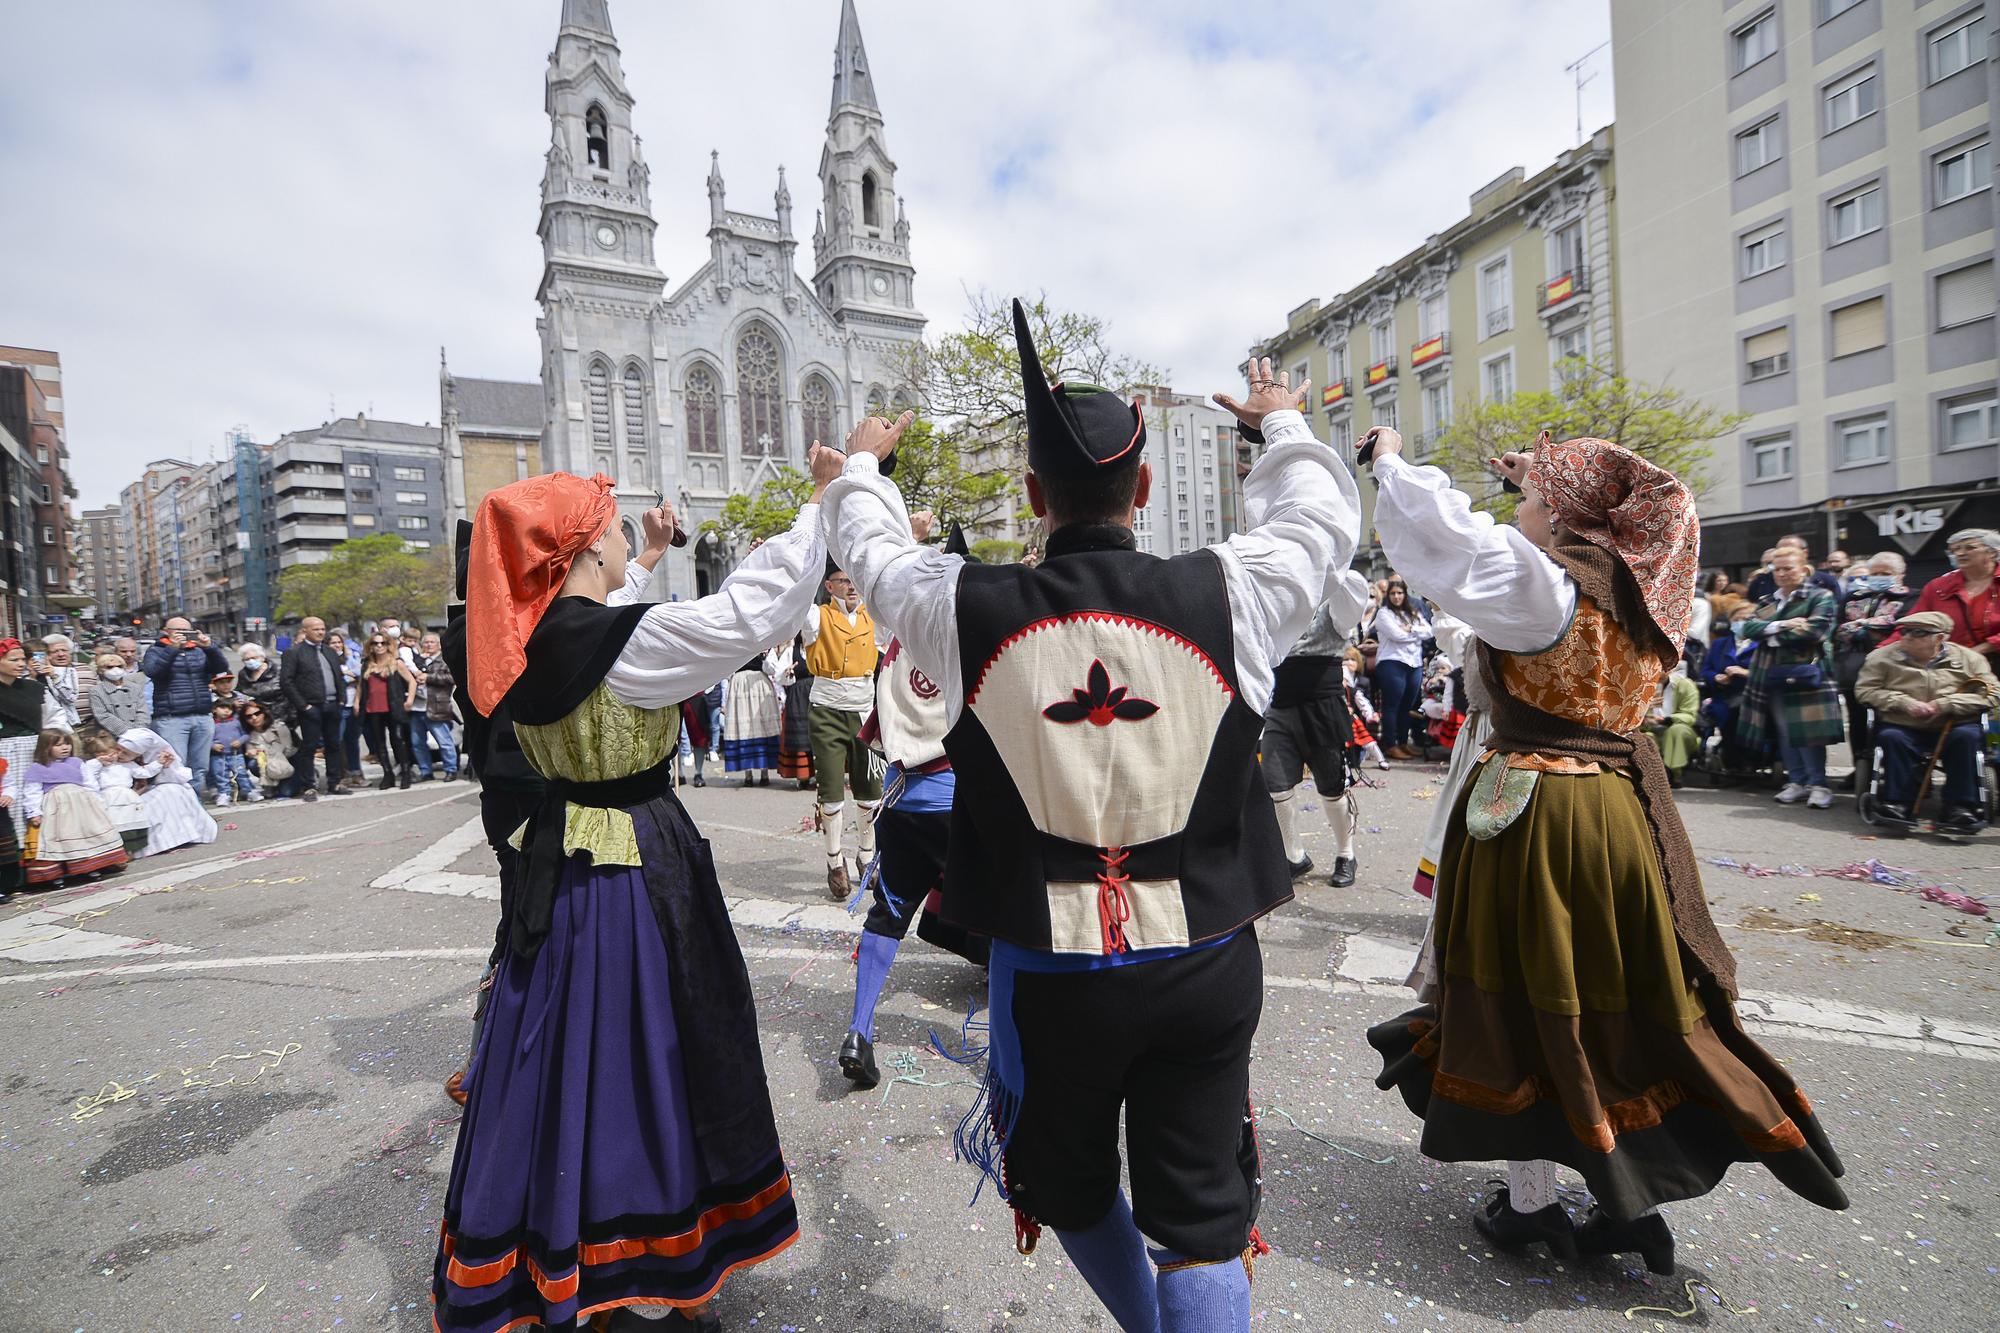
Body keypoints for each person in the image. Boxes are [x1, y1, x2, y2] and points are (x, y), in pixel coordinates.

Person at [825, 315, 1365, 1333]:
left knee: (1067, 1187)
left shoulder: (959, 603)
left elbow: (868, 547)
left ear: (1032, 496)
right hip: (1204, 954)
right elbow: (1318, 521)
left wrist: (860, 465)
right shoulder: (1232, 588)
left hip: (1048, 968)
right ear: (1145, 490)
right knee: (1201, 1219)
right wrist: (1282, 428)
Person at [1363, 430, 1846, 1277]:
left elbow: (1446, 540)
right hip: (1618, 810)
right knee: (1608, 1003)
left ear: (1563, 516)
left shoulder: (1547, 589)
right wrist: (1541, 482)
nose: (1518, 509)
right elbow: (1516, 539)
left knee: (1520, 1003)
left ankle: (1536, 1205)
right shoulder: (1643, 594)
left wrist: (1389, 461)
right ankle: (1613, 1208)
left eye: (1532, 498)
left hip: (1538, 815)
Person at [432, 466, 823, 1332]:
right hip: (637, 867)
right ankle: (654, 1248)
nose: (620, 539)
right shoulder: (619, 645)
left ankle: (562, 1259)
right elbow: (745, 614)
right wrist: (829, 498)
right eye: (611, 529)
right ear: (581, 546)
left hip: (562, 865)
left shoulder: (529, 639)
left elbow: (608, 632)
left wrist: (644, 556)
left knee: (567, 1062)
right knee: (654, 1058)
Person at [837, 518, 991, 1092]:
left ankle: (859, 1028)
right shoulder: (969, 640)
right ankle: (1013, 1047)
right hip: (959, 801)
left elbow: (879, 732)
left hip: (904, 801)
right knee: (1005, 915)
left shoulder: (895, 648)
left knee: (888, 916)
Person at [1855, 611, 1999, 831]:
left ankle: (1960, 806)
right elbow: (1865, 691)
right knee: (1891, 737)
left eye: (1919, 632)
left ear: (1940, 638)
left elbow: (1992, 693)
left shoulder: (1970, 659)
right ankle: (1898, 803)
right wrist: (1904, 702)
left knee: (1967, 737)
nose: (1908, 636)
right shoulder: (1881, 657)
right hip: (1904, 722)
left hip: (1954, 723)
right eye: (1904, 631)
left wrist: (1946, 704)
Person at [1264, 600, 1366, 888]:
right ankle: (1294, 857)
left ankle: (1346, 854)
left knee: (1332, 788)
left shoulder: (1333, 604)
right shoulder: (1280, 602)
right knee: (1275, 785)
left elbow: (1354, 592)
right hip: (1281, 707)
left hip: (1322, 707)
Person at [802, 566, 885, 899]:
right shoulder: (816, 616)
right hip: (827, 709)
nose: (851, 587)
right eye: (843, 581)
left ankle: (866, 855)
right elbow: (791, 602)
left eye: (854, 580)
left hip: (864, 709)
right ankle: (834, 861)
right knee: (832, 791)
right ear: (829, 586)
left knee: (869, 792)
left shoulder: (874, 618)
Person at [1740, 549, 1844, 808]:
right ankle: (1796, 781)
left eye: (1788, 568)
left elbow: (1815, 631)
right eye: (1777, 569)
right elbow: (1747, 628)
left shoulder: (1821, 596)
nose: (1782, 573)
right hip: (1772, 673)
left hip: (1806, 672)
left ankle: (1818, 785)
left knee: (1810, 732)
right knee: (1785, 731)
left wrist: (1770, 632)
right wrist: (1783, 625)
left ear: (1804, 569)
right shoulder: (1768, 600)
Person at [1832, 551, 1915, 763]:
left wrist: (1862, 625)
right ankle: (1860, 765)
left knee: (1895, 718)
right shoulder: (1854, 597)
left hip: (1896, 665)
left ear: (1900, 574)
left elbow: (1903, 623)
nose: (1879, 577)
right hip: (1856, 667)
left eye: (1885, 573)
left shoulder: (1911, 596)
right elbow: (1838, 627)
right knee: (1858, 718)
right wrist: (1864, 627)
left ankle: (1901, 767)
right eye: (1875, 573)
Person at [21, 728, 129, 886]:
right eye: (58, 745)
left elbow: (90, 783)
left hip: (81, 805)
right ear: (45, 747)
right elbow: (32, 792)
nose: (65, 748)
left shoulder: (77, 763)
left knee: (87, 835)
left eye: (67, 744)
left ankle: (90, 866)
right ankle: (58, 873)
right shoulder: (38, 768)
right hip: (56, 808)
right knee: (59, 840)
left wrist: (98, 802)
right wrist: (34, 812)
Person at [141, 617, 231, 800]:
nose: (183, 634)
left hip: (202, 715)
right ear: (166, 631)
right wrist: (172, 649)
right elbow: (153, 672)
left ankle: (194, 805)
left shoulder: (199, 650)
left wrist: (210, 647)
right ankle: (176, 807)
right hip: (172, 717)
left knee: (199, 767)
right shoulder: (156, 650)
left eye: (187, 630)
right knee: (175, 766)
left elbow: (221, 668)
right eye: (178, 630)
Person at [115, 727, 218, 855]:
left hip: (149, 791)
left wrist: (163, 766)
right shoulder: (111, 761)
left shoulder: (149, 758)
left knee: (170, 792)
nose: (119, 755)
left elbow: (167, 778)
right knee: (161, 797)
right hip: (123, 798)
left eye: (125, 753)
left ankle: (175, 837)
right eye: (117, 749)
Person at [1902, 528, 2000, 662]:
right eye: (1955, 549)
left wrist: (1982, 649)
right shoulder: (1938, 586)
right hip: (1952, 664)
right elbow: (1913, 623)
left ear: (1993, 553)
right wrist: (1884, 648)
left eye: (1969, 548)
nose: (1959, 553)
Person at [279, 617, 349, 800]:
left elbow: (339, 676)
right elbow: (286, 682)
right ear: (305, 631)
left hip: (333, 705)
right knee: (309, 746)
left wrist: (342, 699)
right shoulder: (294, 653)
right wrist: (304, 705)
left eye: (322, 628)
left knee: (334, 745)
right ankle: (309, 786)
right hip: (311, 707)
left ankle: (335, 782)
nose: (320, 632)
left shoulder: (330, 651)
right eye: (316, 629)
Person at [0, 639, 48, 904]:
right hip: (2, 753)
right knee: (8, 810)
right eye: (13, 659)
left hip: (31, 749)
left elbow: (52, 718)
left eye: (22, 660)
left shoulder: (33, 688)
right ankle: (9, 877)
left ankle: (37, 869)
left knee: (33, 804)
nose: (20, 664)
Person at [1365, 577, 1430, 758]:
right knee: (1392, 705)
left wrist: (1410, 630)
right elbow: (1396, 635)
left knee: (1407, 705)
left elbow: (1428, 631)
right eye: (1393, 593)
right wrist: (1414, 632)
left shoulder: (1413, 612)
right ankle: (1390, 743)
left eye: (1399, 593)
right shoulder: (1384, 613)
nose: (1396, 597)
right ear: (1388, 595)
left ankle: (1402, 742)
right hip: (1392, 662)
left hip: (1414, 663)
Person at [1699, 601, 1762, 774]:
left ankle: (1749, 758)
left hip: (1753, 695)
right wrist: (1716, 677)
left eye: (1746, 619)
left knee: (1741, 712)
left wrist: (1745, 672)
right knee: (1725, 714)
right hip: (1723, 695)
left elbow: (1768, 671)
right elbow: (1706, 670)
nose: (1741, 623)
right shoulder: (1720, 644)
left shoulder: (1761, 645)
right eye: (1737, 619)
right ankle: (1731, 758)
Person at [357, 630, 420, 789]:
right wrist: (357, 702)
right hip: (373, 708)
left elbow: (412, 682)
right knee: (379, 744)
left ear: (388, 645)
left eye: (382, 643)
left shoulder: (396, 662)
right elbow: (360, 686)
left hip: (393, 707)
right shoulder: (367, 663)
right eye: (375, 643)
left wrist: (409, 700)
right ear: (370, 646)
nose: (379, 646)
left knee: (398, 740)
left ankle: (406, 772)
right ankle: (388, 774)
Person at [80, 732, 150, 860]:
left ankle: (132, 849)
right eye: (103, 755)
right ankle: (119, 851)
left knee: (132, 822)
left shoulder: (127, 765)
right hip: (109, 799)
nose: (109, 757)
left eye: (112, 753)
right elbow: (87, 775)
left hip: (128, 797)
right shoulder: (94, 767)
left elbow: (144, 772)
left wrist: (160, 763)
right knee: (116, 824)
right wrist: (97, 762)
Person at [721, 649, 783, 786]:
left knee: (763, 726)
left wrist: (765, 656)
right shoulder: (735, 644)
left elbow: (772, 669)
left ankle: (764, 771)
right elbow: (727, 668)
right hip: (739, 685)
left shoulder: (767, 646)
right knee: (743, 727)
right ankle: (747, 773)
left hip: (759, 684)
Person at [1645, 662, 1701, 785]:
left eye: (1662, 668)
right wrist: (1645, 717)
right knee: (1646, 738)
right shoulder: (1644, 686)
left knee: (1676, 731)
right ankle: (1651, 775)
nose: (1659, 672)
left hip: (1678, 728)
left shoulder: (1685, 685)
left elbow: (1689, 716)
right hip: (1650, 728)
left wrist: (1668, 719)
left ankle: (1673, 772)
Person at [418, 632, 460, 780]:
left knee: (444, 741)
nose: (428, 645)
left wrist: (428, 677)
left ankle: (451, 769)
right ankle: (425, 771)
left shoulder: (444, 660)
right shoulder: (418, 660)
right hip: (417, 707)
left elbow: (452, 678)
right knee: (418, 743)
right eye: (426, 642)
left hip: (437, 706)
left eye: (432, 642)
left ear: (439, 645)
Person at [773, 636, 814, 788]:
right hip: (798, 696)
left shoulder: (819, 647)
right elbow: (778, 676)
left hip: (818, 693)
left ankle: (821, 775)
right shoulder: (792, 651)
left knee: (819, 733)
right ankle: (803, 776)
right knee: (800, 734)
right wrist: (787, 672)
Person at [206, 700, 261, 805]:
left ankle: (249, 791)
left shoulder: (236, 722)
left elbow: (246, 735)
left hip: (236, 754)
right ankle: (224, 794)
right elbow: (204, 740)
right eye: (222, 708)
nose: (226, 711)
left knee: (241, 773)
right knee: (220, 775)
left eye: (229, 709)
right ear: (214, 710)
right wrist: (213, 746)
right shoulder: (210, 724)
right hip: (218, 756)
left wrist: (239, 741)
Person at [328, 630, 365, 784]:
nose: (337, 645)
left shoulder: (350, 657)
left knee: (353, 741)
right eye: (333, 643)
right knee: (337, 741)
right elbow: (336, 679)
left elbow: (359, 673)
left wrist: (350, 675)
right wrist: (347, 676)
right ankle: (340, 774)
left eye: (339, 642)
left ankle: (356, 772)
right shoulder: (327, 659)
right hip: (338, 705)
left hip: (353, 704)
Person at [88, 651, 151, 739]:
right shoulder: (96, 691)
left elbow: (142, 711)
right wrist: (125, 732)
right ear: (100, 670)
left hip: (139, 735)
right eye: (110, 667)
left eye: (119, 666)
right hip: (111, 737)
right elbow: (102, 715)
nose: (115, 669)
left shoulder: (135, 688)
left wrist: (139, 730)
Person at [239, 701, 296, 799]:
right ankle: (271, 784)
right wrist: (253, 753)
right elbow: (251, 754)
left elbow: (288, 750)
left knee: (286, 793)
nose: (254, 718)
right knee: (253, 763)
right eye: (249, 716)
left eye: (257, 714)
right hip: (269, 766)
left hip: (288, 763)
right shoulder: (249, 735)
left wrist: (264, 751)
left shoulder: (279, 727)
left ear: (264, 713)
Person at [40, 634, 84, 730]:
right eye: (55, 651)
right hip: (49, 725)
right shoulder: (40, 674)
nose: (61, 654)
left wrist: (54, 677)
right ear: (46, 655)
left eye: (64, 650)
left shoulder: (76, 670)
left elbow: (70, 698)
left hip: (74, 725)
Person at [236, 642, 288, 723]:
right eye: (246, 659)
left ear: (262, 657)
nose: (250, 661)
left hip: (279, 718)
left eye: (254, 658)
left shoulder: (279, 670)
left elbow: (291, 694)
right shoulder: (243, 674)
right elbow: (239, 692)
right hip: (254, 719)